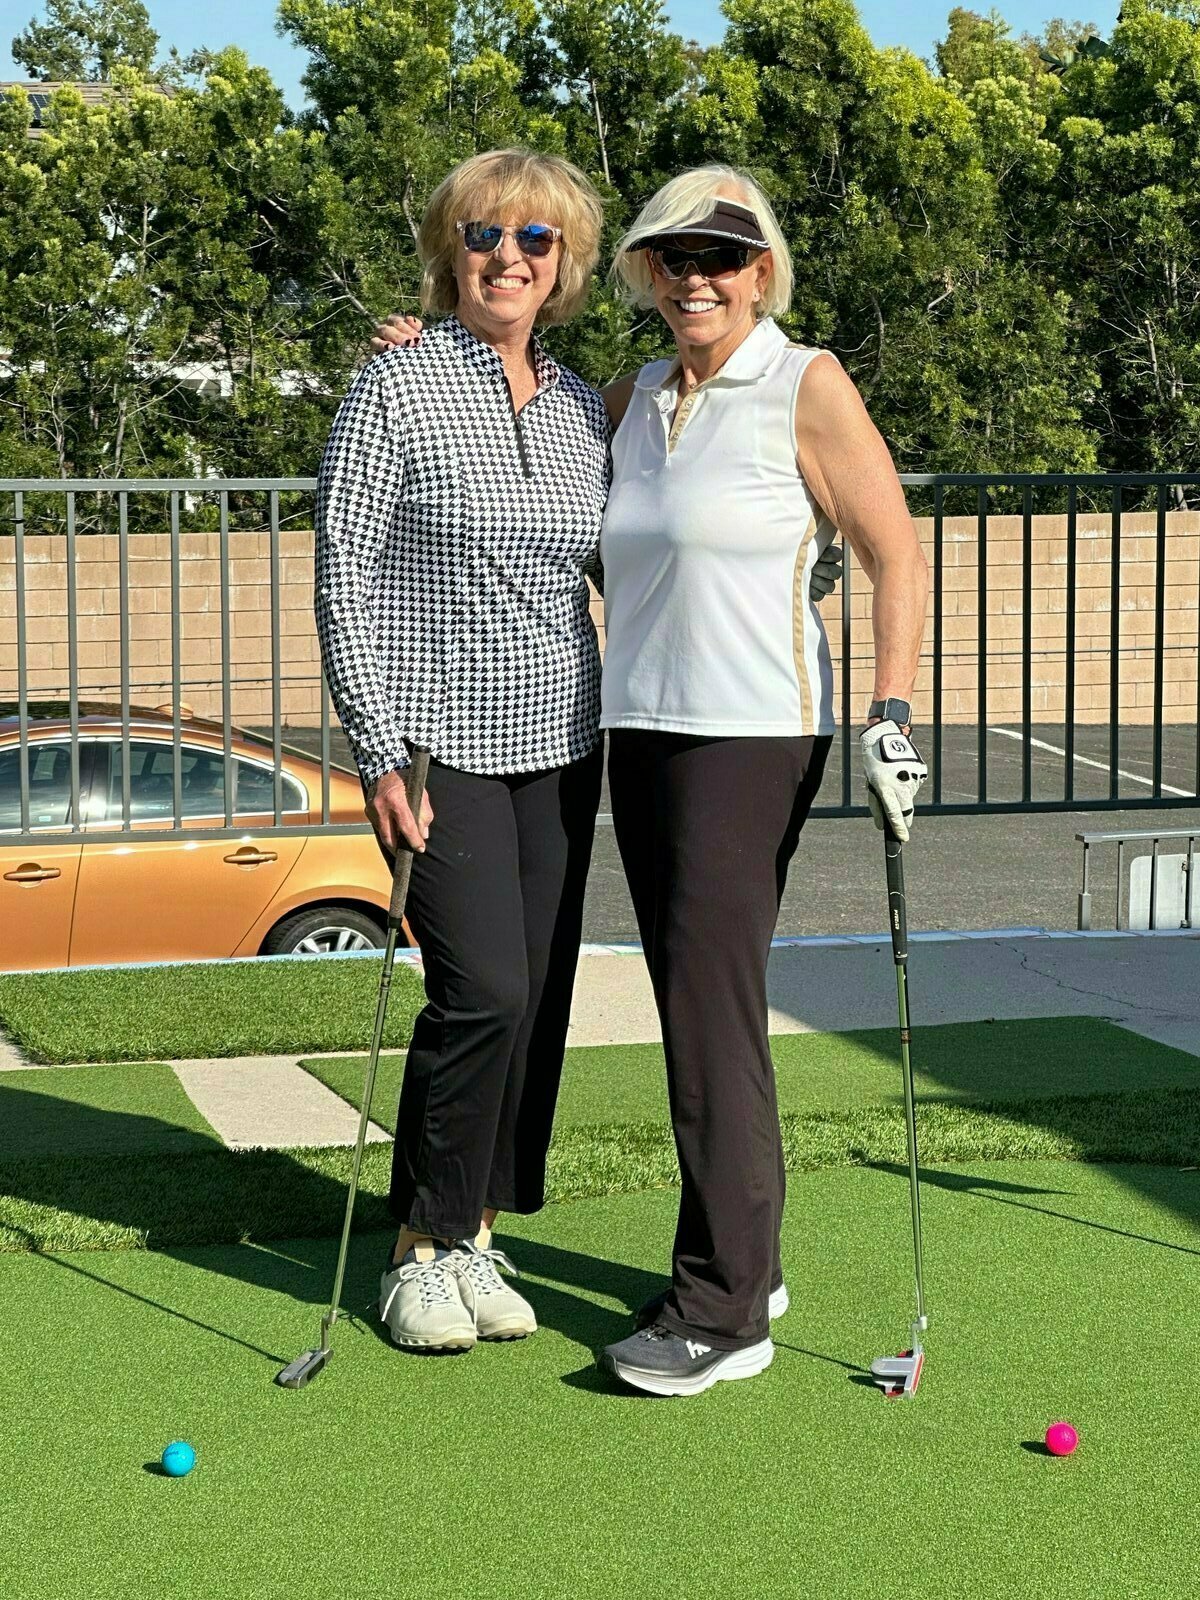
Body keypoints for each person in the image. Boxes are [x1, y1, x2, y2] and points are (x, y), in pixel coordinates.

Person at [590, 167, 930, 1397]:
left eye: (725, 257)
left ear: (763, 271)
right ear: (646, 271)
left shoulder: (805, 381)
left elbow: (894, 552)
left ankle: (724, 1311)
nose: (699, 277)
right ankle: (750, 1259)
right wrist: (427, 355)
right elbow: (522, 445)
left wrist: (892, 715)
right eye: (676, 255)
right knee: (700, 996)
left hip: (751, 733)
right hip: (643, 726)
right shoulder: (629, 397)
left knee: (706, 997)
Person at [314, 148, 612, 1354]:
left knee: (534, 1003)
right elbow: (344, 574)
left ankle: (478, 1229)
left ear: (566, 265)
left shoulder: (591, 405)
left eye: (535, 240)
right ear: (451, 252)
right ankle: (417, 1252)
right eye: (485, 234)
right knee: (480, 988)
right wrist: (377, 746)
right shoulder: (393, 387)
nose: (508, 257)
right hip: (440, 747)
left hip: (566, 741)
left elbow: (626, 556)